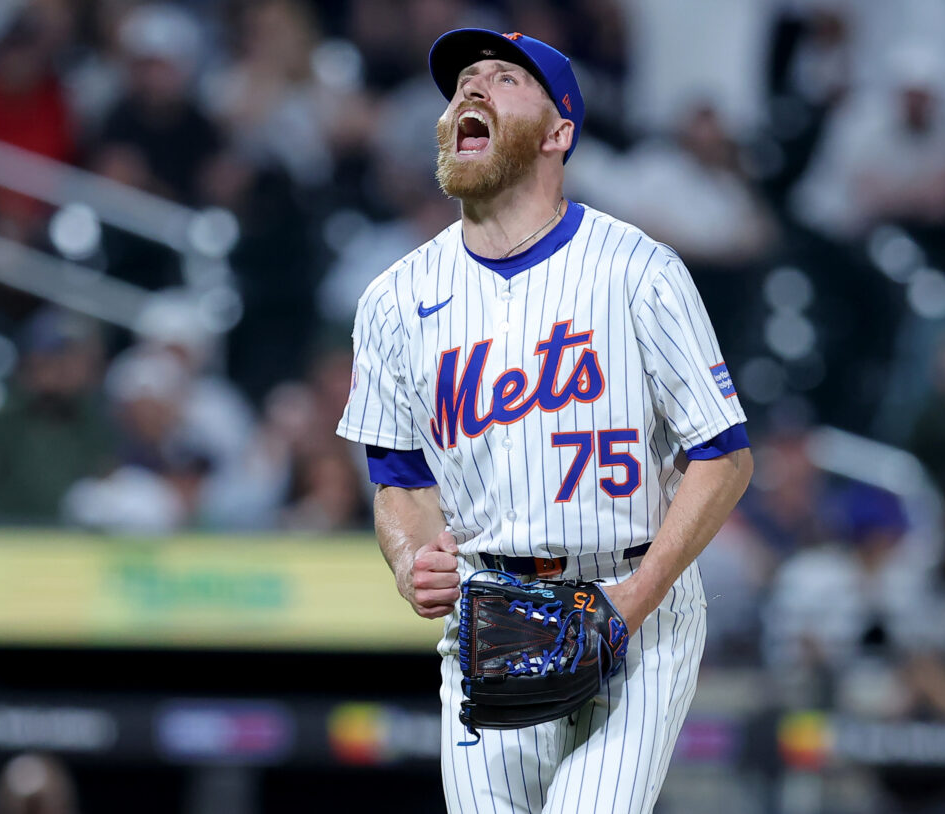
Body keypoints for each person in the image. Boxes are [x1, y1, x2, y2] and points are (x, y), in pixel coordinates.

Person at [336, 29, 753, 813]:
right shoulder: (393, 298)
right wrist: (407, 556)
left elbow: (724, 457)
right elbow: (398, 478)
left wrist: (636, 601)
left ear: (560, 132)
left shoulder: (639, 271)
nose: (472, 90)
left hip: (635, 598)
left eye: (503, 78)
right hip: (488, 614)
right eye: (462, 82)